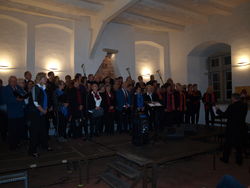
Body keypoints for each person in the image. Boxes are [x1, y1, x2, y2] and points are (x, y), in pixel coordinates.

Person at [217, 93, 248, 165]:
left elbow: (225, 115)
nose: (231, 99)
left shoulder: (232, 106)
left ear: (234, 98)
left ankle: (225, 159)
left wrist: (218, 111)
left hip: (232, 128)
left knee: (227, 144)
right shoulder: (244, 106)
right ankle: (239, 161)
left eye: (231, 98)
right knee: (239, 145)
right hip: (241, 128)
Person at [28, 72, 51, 157]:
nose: (46, 79)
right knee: (35, 132)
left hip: (42, 113)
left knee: (43, 130)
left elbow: (44, 100)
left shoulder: (43, 88)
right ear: (40, 79)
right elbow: (35, 102)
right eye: (44, 78)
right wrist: (43, 110)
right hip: (36, 113)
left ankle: (44, 145)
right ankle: (32, 150)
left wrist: (46, 109)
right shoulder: (35, 88)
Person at [4, 76, 25, 150]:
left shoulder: (18, 87)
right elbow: (5, 99)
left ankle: (17, 143)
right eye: (12, 81)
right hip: (12, 113)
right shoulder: (6, 88)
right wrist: (16, 99)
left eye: (15, 81)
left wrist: (22, 97)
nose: (14, 82)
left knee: (19, 129)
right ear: (9, 81)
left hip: (20, 112)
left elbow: (23, 94)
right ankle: (12, 146)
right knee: (12, 130)